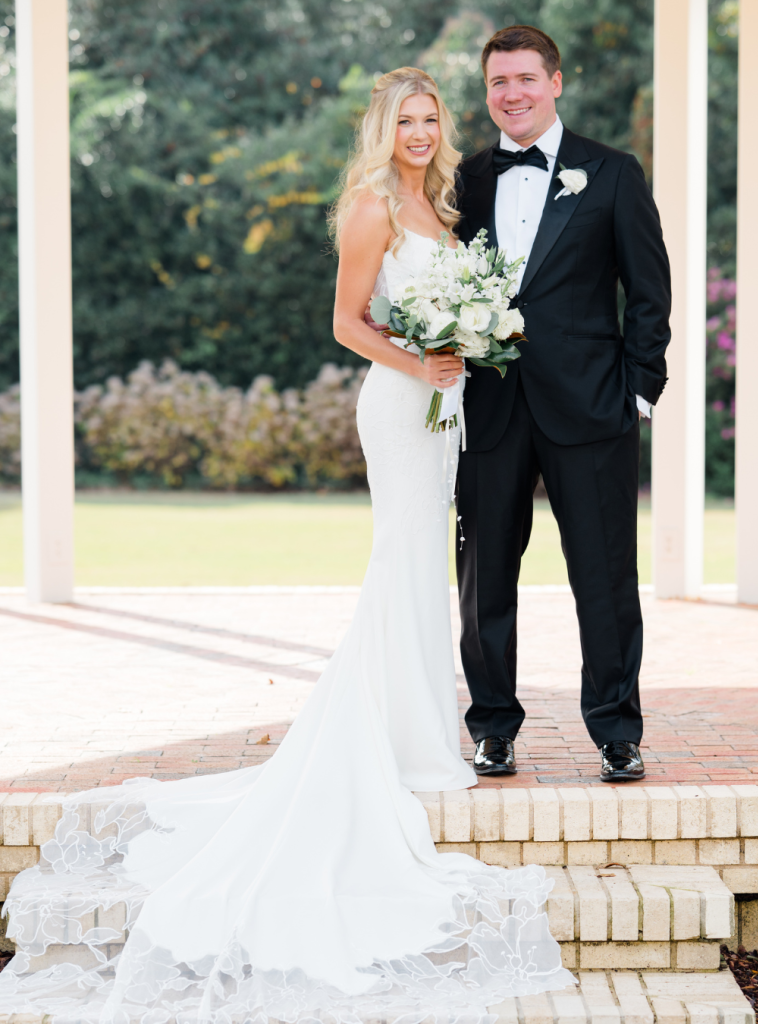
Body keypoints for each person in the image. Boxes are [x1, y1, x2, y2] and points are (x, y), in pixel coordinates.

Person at [0, 67, 573, 1024]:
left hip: (444, 405)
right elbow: (346, 323)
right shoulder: (370, 206)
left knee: (422, 567)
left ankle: (421, 728)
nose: (423, 133)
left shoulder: (439, 202)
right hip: (399, 405)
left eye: (433, 119)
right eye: (408, 120)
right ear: (382, 128)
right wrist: (422, 362)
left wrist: (460, 354)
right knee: (401, 560)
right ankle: (393, 740)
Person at [455, 26, 672, 784]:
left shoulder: (610, 173)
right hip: (488, 406)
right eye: (495, 83)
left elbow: (648, 291)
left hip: (591, 408)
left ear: (554, 82)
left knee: (604, 576)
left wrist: (638, 392)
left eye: (522, 79)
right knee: (484, 578)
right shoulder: (466, 178)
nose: (509, 94)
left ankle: (616, 731)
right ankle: (492, 728)